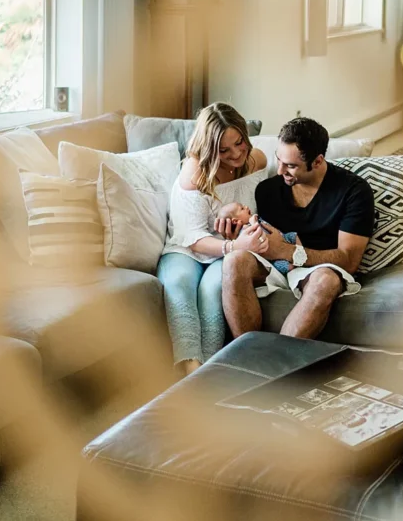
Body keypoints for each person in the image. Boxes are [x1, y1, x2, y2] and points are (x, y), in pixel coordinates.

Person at [222, 117, 374, 341]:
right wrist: (235, 231)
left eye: (291, 166)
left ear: (318, 161)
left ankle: (278, 358)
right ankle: (247, 354)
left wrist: (287, 251)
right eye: (279, 160)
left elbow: (349, 260)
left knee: (326, 280)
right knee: (234, 261)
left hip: (316, 268)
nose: (280, 170)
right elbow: (256, 232)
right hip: (273, 265)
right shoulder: (267, 190)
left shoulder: (354, 191)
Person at [157, 103, 269, 375]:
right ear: (209, 149)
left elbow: (259, 212)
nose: (236, 154)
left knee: (213, 289)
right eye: (224, 150)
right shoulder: (196, 172)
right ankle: (190, 368)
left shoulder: (256, 161)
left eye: (239, 143)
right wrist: (234, 245)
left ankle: (207, 372)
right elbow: (192, 237)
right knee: (179, 284)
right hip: (187, 247)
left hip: (229, 251)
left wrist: (240, 235)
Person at [215, 202, 298, 274]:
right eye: (242, 208)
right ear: (235, 221)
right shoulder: (244, 232)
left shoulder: (254, 220)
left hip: (281, 238)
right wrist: (254, 222)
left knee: (294, 235)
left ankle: (298, 249)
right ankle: (293, 266)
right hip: (271, 257)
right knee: (284, 266)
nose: (246, 207)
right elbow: (256, 235)